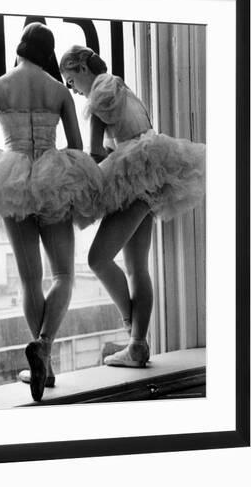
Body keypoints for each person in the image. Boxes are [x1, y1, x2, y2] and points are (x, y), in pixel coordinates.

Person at [0, 25, 103, 400]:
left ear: (19, 49)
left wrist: (6, 162)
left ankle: (44, 365)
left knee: (29, 280)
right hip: (53, 178)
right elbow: (78, 145)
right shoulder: (56, 89)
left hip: (13, 178)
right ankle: (45, 348)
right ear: (47, 53)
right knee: (64, 274)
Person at [60, 45, 206, 368]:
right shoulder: (122, 87)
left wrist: (70, 162)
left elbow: (96, 153)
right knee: (137, 267)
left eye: (71, 82)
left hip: (135, 178)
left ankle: (130, 325)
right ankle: (137, 345)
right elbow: (138, 132)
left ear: (83, 69)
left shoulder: (99, 94)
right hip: (153, 175)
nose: (74, 91)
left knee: (97, 259)